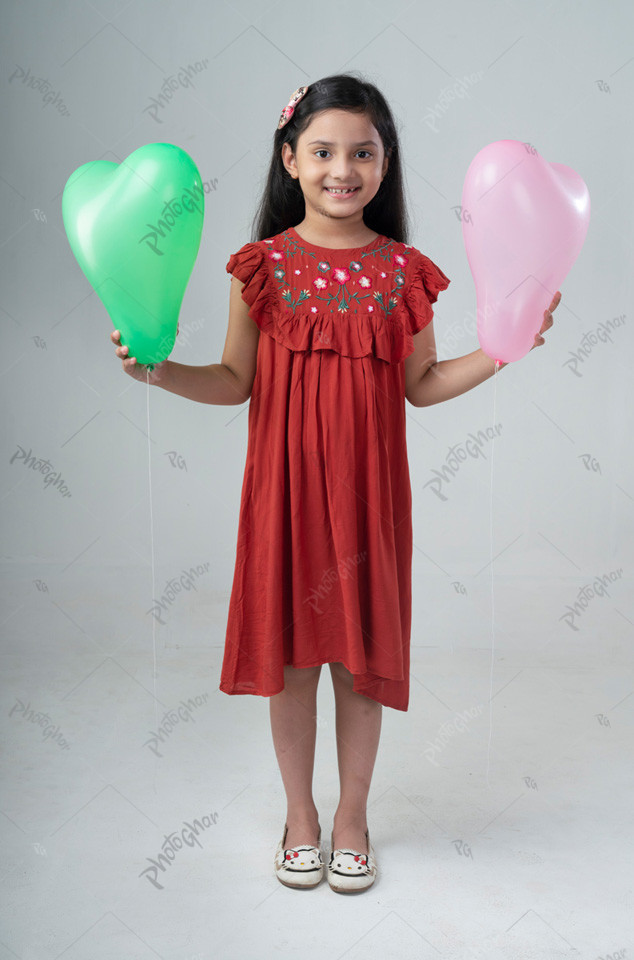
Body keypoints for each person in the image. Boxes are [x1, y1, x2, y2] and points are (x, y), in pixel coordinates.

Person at [111, 72, 559, 893]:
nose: (340, 168)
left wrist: (502, 350)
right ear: (289, 159)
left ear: (384, 167)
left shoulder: (403, 274)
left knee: (359, 663)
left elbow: (420, 385)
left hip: (367, 502)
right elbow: (234, 380)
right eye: (321, 151)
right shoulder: (263, 268)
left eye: (362, 152)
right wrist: (159, 373)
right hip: (281, 497)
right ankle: (301, 817)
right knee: (288, 663)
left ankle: (352, 816)